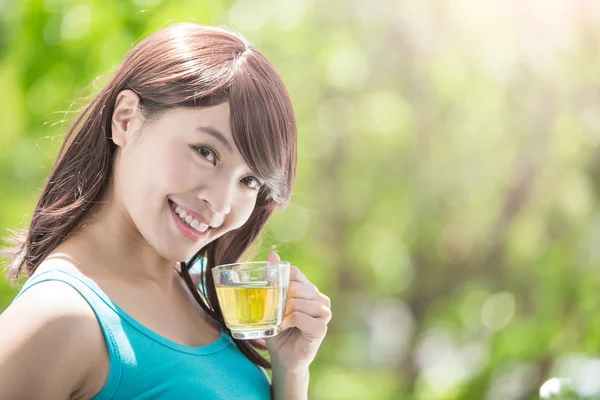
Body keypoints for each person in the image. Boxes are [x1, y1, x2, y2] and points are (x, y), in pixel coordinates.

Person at [0, 23, 331, 399]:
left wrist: (290, 373)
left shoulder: (211, 300)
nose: (221, 203)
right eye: (206, 152)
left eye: (250, 181)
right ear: (125, 119)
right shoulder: (58, 318)